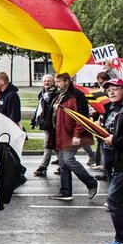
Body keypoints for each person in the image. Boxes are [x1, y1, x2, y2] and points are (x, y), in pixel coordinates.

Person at [43, 73, 99, 201]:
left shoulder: (76, 95)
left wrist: (77, 134)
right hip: (59, 134)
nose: (56, 84)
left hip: (69, 134)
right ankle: (65, 192)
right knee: (63, 163)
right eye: (56, 81)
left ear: (67, 81)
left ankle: (91, 183)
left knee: (68, 160)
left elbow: (81, 117)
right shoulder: (59, 96)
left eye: (59, 81)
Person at [100, 78, 123, 244]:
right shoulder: (111, 109)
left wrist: (114, 140)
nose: (111, 92)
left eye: (115, 89)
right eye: (108, 89)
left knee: (114, 199)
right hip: (115, 162)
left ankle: (122, 240)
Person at [32, 74, 58, 177]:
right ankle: (64, 165)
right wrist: (34, 120)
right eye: (45, 81)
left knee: (48, 145)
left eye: (49, 81)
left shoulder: (56, 94)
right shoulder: (42, 94)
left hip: (53, 124)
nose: (46, 83)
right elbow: (39, 108)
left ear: (53, 82)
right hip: (45, 123)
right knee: (54, 147)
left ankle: (43, 167)